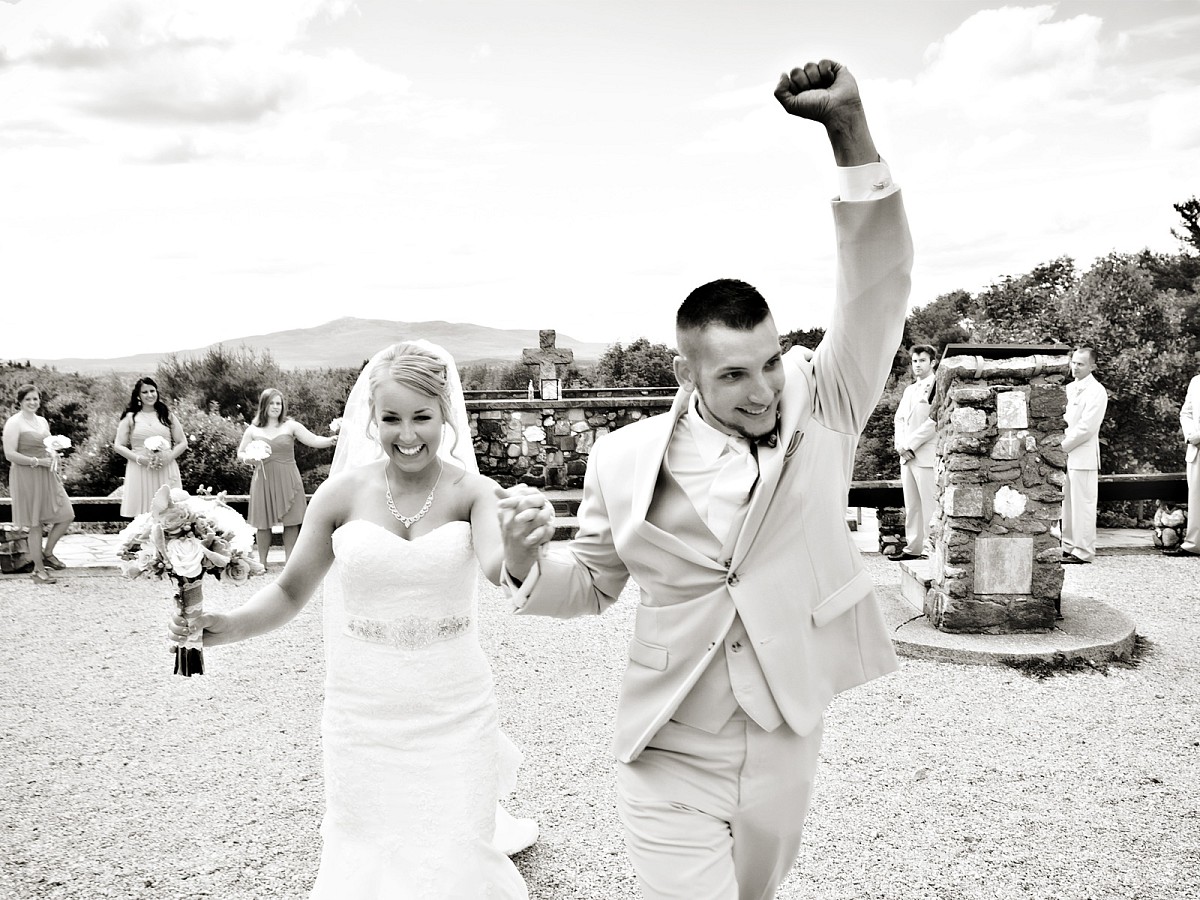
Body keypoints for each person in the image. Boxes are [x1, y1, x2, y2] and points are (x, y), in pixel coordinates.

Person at [497, 60, 912, 900]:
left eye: (768, 363)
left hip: (784, 727)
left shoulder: (824, 403)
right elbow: (593, 583)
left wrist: (849, 130)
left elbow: (877, 286)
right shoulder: (621, 458)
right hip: (667, 738)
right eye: (733, 377)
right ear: (689, 373)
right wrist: (523, 563)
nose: (762, 391)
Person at [171, 342, 529, 898]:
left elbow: (497, 569)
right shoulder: (340, 493)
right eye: (391, 419)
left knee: (455, 841)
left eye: (421, 418)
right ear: (372, 418)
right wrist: (227, 625)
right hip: (362, 705)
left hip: (454, 702)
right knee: (369, 843)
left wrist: (524, 549)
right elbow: (291, 590)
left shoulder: (475, 492)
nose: (406, 435)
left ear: (445, 416)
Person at [237, 388, 338, 567]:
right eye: (272, 403)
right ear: (264, 405)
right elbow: (240, 453)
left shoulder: (291, 425)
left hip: (288, 478)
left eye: (279, 403)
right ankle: (261, 563)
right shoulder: (253, 430)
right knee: (263, 523)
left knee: (291, 522)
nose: (276, 407)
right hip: (263, 480)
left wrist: (331, 441)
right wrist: (249, 459)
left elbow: (313, 439)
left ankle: (290, 564)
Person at [2, 384, 76, 584]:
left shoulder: (42, 421)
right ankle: (38, 571)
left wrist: (54, 455)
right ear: (20, 402)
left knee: (67, 514)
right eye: (28, 399)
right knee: (35, 524)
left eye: (35, 399)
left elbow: (46, 446)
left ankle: (47, 553)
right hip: (26, 475)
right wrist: (37, 462)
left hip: (47, 473)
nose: (33, 403)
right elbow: (10, 454)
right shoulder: (14, 423)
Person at [113, 377, 188, 517]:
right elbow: (118, 445)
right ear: (138, 396)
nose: (150, 395)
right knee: (143, 513)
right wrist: (140, 459)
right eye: (145, 392)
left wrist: (168, 458)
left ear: (157, 392)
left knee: (169, 512)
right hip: (140, 468)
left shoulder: (167, 415)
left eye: (152, 391)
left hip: (165, 467)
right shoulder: (130, 417)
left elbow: (182, 442)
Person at [890, 343, 938, 560]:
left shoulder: (938, 385)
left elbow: (934, 421)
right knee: (912, 506)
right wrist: (900, 446)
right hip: (906, 457)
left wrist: (910, 445)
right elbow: (899, 419)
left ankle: (931, 549)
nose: (917, 365)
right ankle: (913, 548)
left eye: (922, 361)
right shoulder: (910, 390)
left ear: (933, 362)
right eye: (915, 361)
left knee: (929, 505)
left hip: (924, 454)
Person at [1060, 346, 1108, 564]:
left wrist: (1063, 445)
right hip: (1066, 453)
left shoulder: (1097, 391)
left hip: (1083, 454)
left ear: (1092, 366)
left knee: (1084, 504)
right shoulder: (1069, 388)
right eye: (1074, 362)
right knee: (1067, 504)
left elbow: (1087, 427)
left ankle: (1084, 551)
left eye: (1080, 364)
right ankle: (1068, 545)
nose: (1075, 367)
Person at [1170, 372, 1200, 557]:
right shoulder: (1196, 381)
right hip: (1196, 449)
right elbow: (1186, 413)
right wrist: (1190, 435)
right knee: (1196, 498)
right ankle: (1194, 544)